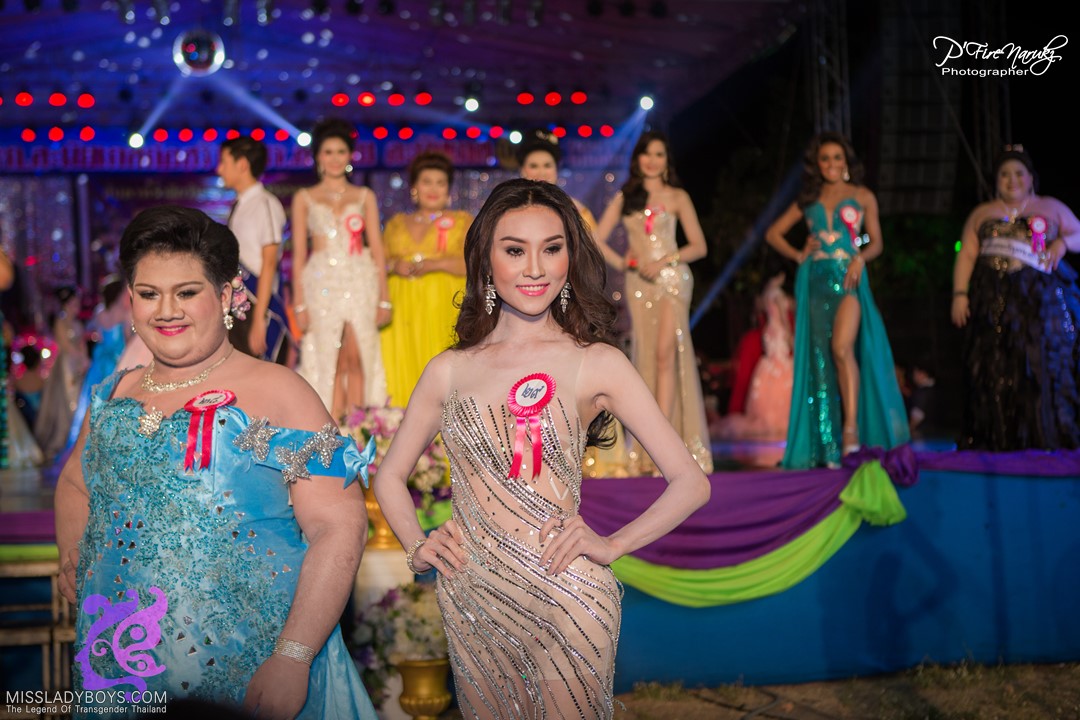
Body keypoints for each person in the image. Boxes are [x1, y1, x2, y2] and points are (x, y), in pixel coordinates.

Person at [374, 179, 711, 718]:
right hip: (471, 599)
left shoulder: (596, 361)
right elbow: (389, 476)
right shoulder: (448, 370)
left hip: (568, 596)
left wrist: (614, 544)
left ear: (569, 258)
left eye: (552, 249)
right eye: (515, 250)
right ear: (485, 260)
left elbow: (691, 483)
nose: (536, 268)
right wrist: (417, 546)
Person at [54, 206, 377, 718]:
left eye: (186, 293)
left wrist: (294, 656)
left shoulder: (279, 390)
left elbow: (339, 526)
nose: (166, 311)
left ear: (226, 296)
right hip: (121, 668)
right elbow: (75, 483)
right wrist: (74, 552)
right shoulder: (115, 394)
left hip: (251, 666)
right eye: (149, 294)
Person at [765, 131, 909, 469]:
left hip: (848, 279)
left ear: (846, 162)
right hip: (815, 281)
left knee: (842, 349)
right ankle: (827, 447)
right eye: (825, 158)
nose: (831, 164)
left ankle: (851, 430)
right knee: (819, 360)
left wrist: (860, 258)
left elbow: (876, 243)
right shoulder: (809, 199)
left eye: (837, 157)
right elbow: (773, 233)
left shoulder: (862, 196)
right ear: (818, 164)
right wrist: (799, 253)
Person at [593, 131, 713, 474]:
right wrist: (623, 262)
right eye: (647, 154)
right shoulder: (626, 197)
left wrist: (664, 261)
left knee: (665, 354)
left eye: (659, 154)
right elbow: (596, 237)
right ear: (638, 159)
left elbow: (699, 246)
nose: (652, 161)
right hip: (639, 285)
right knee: (646, 355)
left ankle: (666, 447)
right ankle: (649, 449)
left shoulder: (677, 196)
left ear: (666, 160)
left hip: (672, 280)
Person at [951, 145, 1080, 450]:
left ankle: (1042, 435)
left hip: (1038, 301)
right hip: (992, 299)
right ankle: (997, 437)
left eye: (1019, 173)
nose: (1012, 180)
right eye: (1005, 174)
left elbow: (1078, 234)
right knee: (994, 364)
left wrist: (1061, 244)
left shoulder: (1050, 206)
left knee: (1037, 364)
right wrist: (959, 294)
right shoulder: (981, 213)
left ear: (1031, 177)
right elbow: (966, 254)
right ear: (996, 180)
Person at [292, 119, 390, 419]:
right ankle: (329, 423)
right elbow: (298, 254)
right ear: (318, 157)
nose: (334, 158)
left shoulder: (364, 196)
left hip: (360, 278)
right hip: (321, 281)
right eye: (328, 152)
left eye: (340, 152)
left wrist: (385, 299)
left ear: (349, 156)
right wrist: (299, 304)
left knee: (359, 353)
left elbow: (377, 249)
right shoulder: (304, 198)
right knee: (327, 355)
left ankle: (362, 425)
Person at [379, 151, 472, 408]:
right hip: (402, 305)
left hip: (442, 303)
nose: (433, 189)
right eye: (426, 182)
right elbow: (379, 262)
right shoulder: (397, 223)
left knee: (441, 358)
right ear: (414, 187)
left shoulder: (461, 221)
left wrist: (435, 264)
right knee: (402, 359)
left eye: (440, 183)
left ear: (448, 188)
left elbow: (473, 263)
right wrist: (394, 265)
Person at [216, 135, 289, 361]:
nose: (219, 169)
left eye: (224, 162)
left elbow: (269, 262)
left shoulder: (265, 203)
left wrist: (259, 319)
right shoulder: (240, 205)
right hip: (238, 303)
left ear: (242, 164)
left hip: (259, 306)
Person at [715, 272, 794, 441]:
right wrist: (788, 332)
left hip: (771, 340)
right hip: (778, 344)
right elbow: (783, 317)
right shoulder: (777, 296)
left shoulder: (767, 296)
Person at [64, 275, 132, 449]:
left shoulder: (99, 312)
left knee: (92, 400)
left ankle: (88, 437)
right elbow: (128, 341)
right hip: (115, 362)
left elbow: (95, 334)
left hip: (99, 361)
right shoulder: (124, 313)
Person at [34, 285, 89, 461]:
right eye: (73, 303)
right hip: (66, 365)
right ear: (66, 304)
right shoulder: (61, 322)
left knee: (79, 399)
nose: (76, 307)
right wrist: (79, 357)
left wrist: (84, 359)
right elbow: (65, 345)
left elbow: (82, 343)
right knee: (67, 400)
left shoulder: (77, 323)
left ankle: (76, 438)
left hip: (78, 364)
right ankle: (63, 440)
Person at [517, 128, 597, 228]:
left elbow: (593, 238)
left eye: (547, 165)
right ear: (522, 170)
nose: (541, 172)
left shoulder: (575, 211)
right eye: (534, 166)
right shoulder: (511, 209)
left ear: (557, 169)